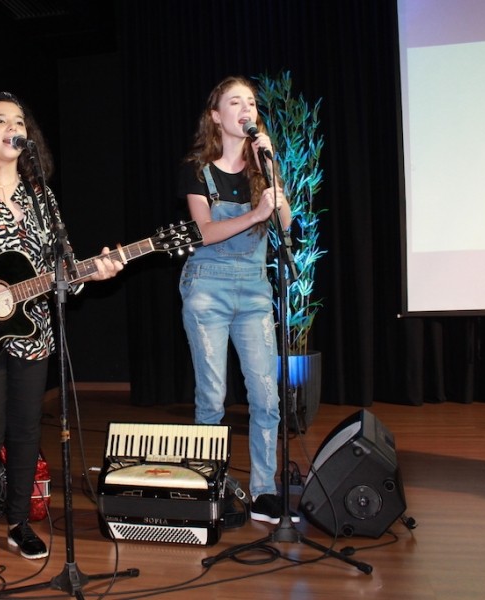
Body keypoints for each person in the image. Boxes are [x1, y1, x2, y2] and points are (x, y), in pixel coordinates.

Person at [0, 91, 123, 574]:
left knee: (26, 430)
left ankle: (20, 523)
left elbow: (63, 270)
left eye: (19, 121)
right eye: (0, 120)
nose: (12, 128)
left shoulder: (41, 196)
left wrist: (95, 272)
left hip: (34, 330)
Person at [177, 76, 294, 524]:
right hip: (207, 286)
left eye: (251, 103)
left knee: (266, 396)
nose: (246, 109)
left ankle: (264, 490)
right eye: (235, 102)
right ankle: (214, 488)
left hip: (254, 288)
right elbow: (205, 232)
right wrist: (255, 213)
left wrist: (271, 170)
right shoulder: (197, 170)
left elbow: (285, 224)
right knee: (212, 397)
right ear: (216, 116)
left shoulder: (262, 168)